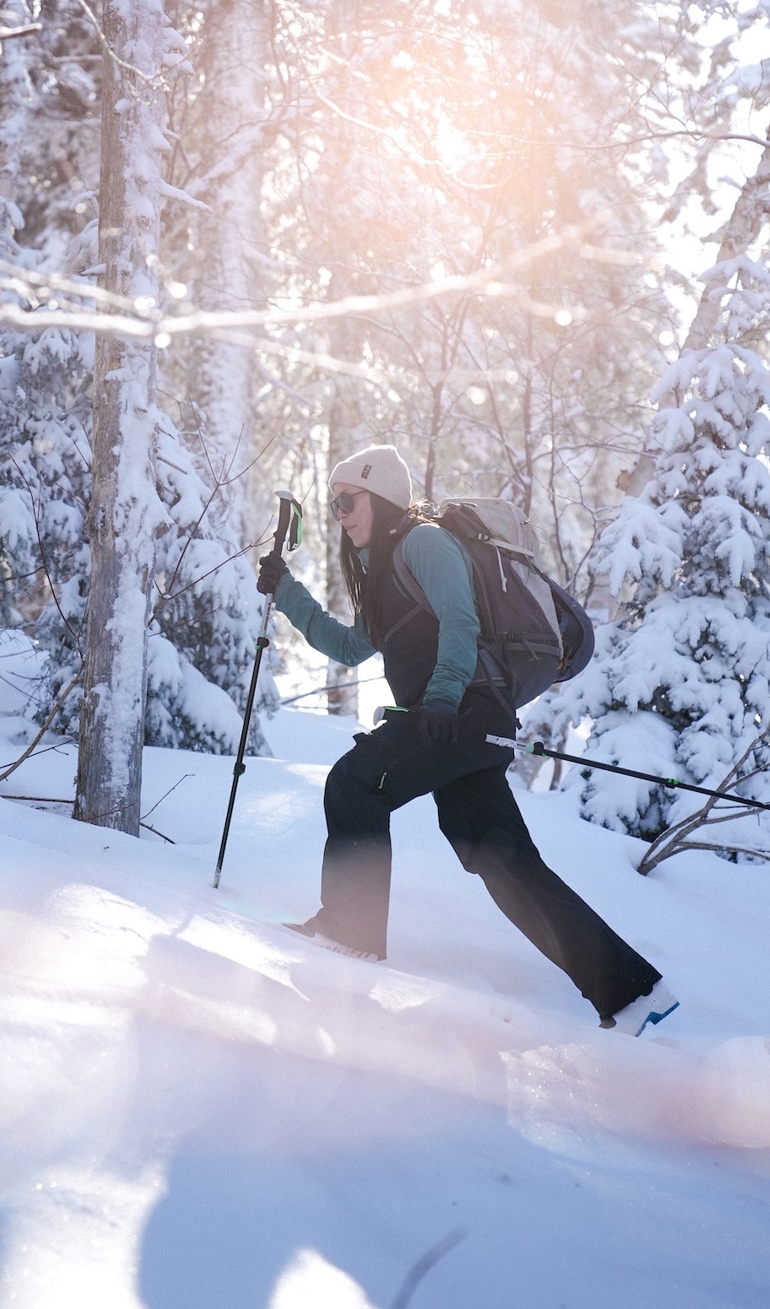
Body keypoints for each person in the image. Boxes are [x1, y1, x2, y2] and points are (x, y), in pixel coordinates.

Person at [257, 443, 677, 1034]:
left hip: (457, 713)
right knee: (497, 854)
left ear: (379, 497)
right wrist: (287, 593)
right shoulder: (382, 575)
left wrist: (442, 698)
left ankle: (350, 934)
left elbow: (461, 620)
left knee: (355, 783)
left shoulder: (423, 543)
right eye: (334, 505)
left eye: (348, 500)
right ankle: (631, 993)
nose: (341, 514)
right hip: (456, 718)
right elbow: (350, 648)